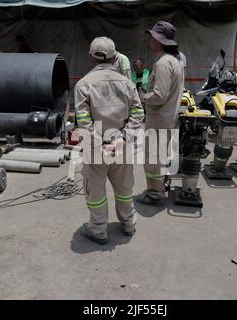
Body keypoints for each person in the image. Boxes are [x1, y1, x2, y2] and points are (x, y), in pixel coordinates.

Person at [75, 37, 145, 245]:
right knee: (124, 189)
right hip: (122, 146)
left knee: (95, 190)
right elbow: (138, 113)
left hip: (96, 150)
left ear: (90, 58)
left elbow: (84, 120)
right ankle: (128, 224)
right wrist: (124, 138)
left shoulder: (83, 85)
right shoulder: (127, 83)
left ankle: (98, 231)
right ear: (115, 57)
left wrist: (100, 144)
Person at [137, 21, 184, 206]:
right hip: (168, 118)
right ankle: (159, 185)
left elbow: (159, 96)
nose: (150, 39)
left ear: (159, 40)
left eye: (153, 36)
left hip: (159, 119)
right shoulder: (175, 61)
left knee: (151, 159)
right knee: (160, 156)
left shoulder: (163, 63)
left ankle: (155, 194)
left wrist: (142, 96)